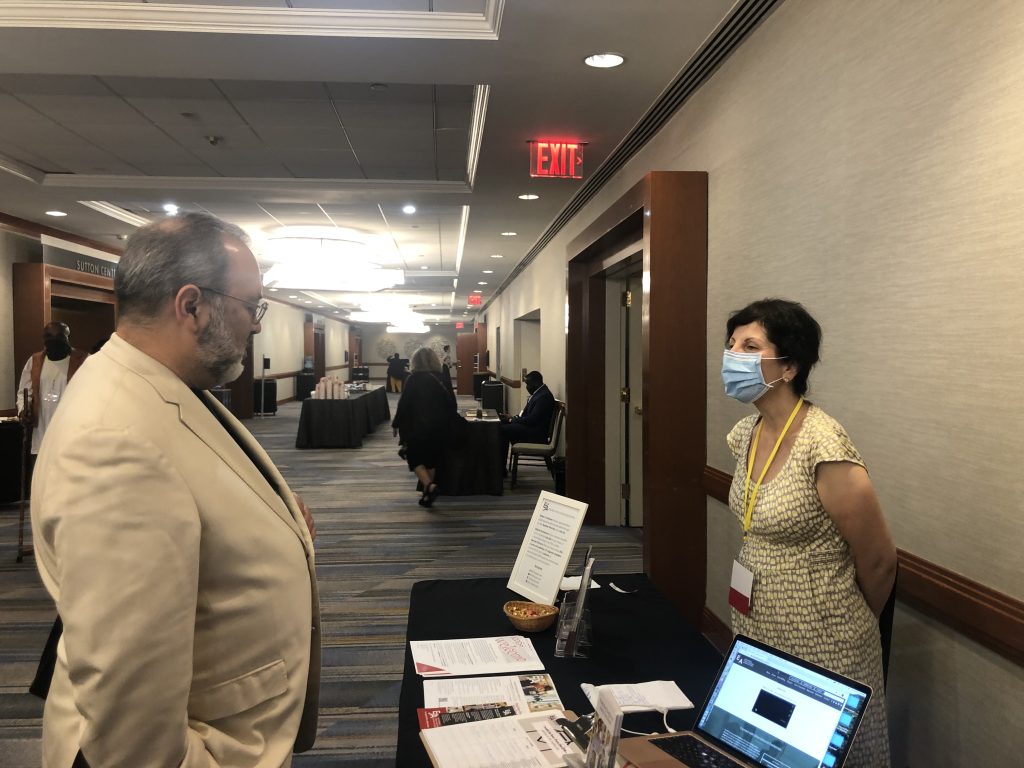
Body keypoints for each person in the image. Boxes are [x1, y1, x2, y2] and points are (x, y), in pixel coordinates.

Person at [30, 213, 320, 767]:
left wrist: (270, 524)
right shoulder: (114, 440)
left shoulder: (163, 384)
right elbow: (131, 719)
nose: (255, 325)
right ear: (192, 305)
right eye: (249, 307)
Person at [721, 298, 896, 767]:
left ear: (790, 366)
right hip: (757, 619)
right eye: (732, 343)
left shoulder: (823, 443)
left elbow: (879, 559)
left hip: (824, 638)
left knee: (816, 755)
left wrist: (843, 621)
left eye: (750, 345)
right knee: (760, 748)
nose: (733, 354)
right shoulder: (748, 432)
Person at [15, 321, 89, 478]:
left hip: (71, 436)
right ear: (43, 339)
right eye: (48, 336)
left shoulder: (83, 360)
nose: (53, 340)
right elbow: (23, 392)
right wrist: (23, 411)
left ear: (68, 337)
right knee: (42, 484)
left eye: (59, 336)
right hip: (41, 435)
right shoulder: (35, 361)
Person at [391, 347, 457, 507]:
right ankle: (428, 494)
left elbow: (404, 404)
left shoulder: (413, 379)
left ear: (415, 361)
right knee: (431, 460)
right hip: (439, 427)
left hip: (416, 427)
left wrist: (396, 423)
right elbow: (452, 404)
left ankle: (429, 486)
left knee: (414, 458)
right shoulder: (442, 376)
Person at [498, 371, 555, 464]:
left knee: (502, 430)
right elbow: (526, 416)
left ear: (536, 383)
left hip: (535, 434)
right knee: (501, 423)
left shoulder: (544, 396)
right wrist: (513, 418)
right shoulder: (539, 393)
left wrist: (513, 419)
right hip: (531, 428)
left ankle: (500, 468)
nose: (527, 387)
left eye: (528, 384)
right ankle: (499, 466)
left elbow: (532, 420)